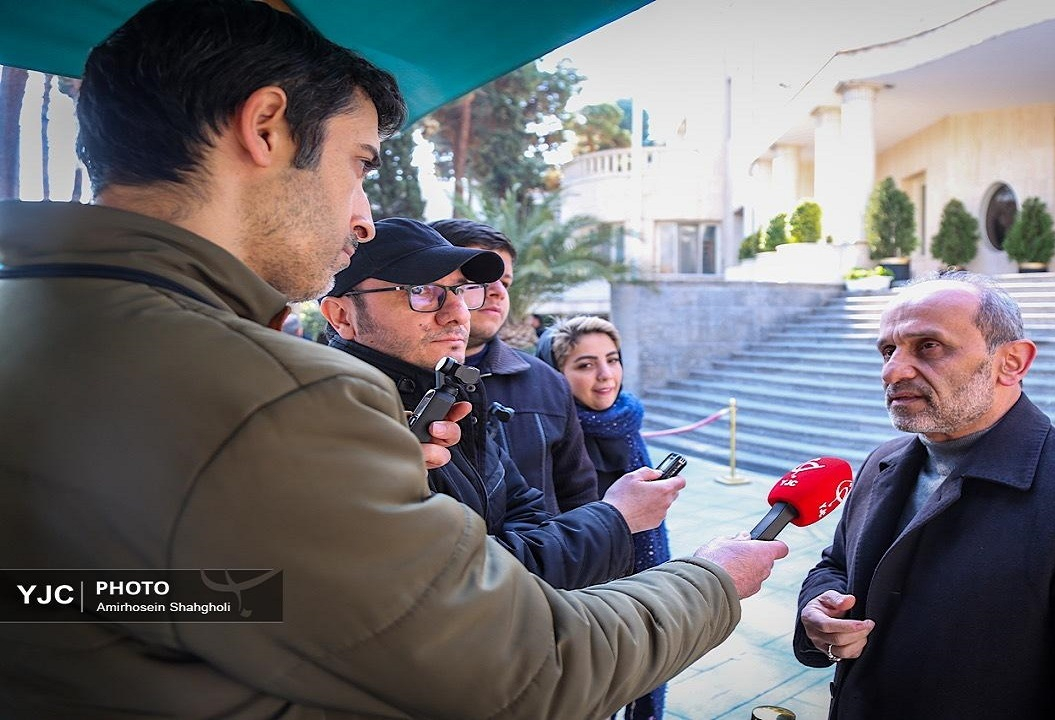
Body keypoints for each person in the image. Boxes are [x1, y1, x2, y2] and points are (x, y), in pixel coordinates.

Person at [0, 1, 788, 717]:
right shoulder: (272, 395)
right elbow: (526, 669)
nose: (365, 216)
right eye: (361, 164)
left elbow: (87, 599)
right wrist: (712, 580)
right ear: (266, 125)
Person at [793, 271, 1055, 719]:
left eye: (929, 346)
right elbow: (837, 565)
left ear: (1013, 362)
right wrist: (817, 609)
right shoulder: (881, 462)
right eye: (888, 350)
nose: (893, 370)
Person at [319, 218, 676, 590]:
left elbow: (526, 510)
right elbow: (462, 583)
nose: (457, 313)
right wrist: (616, 517)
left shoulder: (455, 399)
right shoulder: (320, 423)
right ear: (341, 315)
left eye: (461, 290)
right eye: (421, 290)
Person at [537, 316, 675, 720]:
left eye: (612, 360)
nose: (604, 376)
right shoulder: (552, 435)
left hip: (644, 574)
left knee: (645, 665)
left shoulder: (626, 418)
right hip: (584, 589)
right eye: (584, 365)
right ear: (556, 375)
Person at [431, 217, 599, 513]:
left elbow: (578, 497)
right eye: (478, 279)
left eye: (505, 281)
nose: (498, 291)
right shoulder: (376, 381)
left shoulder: (547, 383)